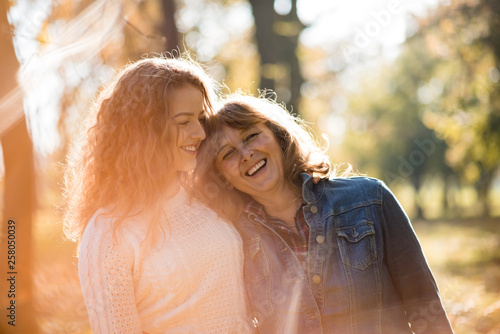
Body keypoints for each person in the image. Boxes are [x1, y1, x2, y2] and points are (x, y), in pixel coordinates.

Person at [194, 92, 455, 333]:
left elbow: (426, 309)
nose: (245, 153)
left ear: (278, 135)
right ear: (222, 177)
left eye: (251, 136)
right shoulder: (231, 240)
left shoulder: (370, 200)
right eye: (227, 153)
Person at [63, 56, 254, 333]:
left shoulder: (210, 195)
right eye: (183, 121)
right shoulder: (108, 232)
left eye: (201, 119)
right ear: (144, 130)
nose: (200, 132)